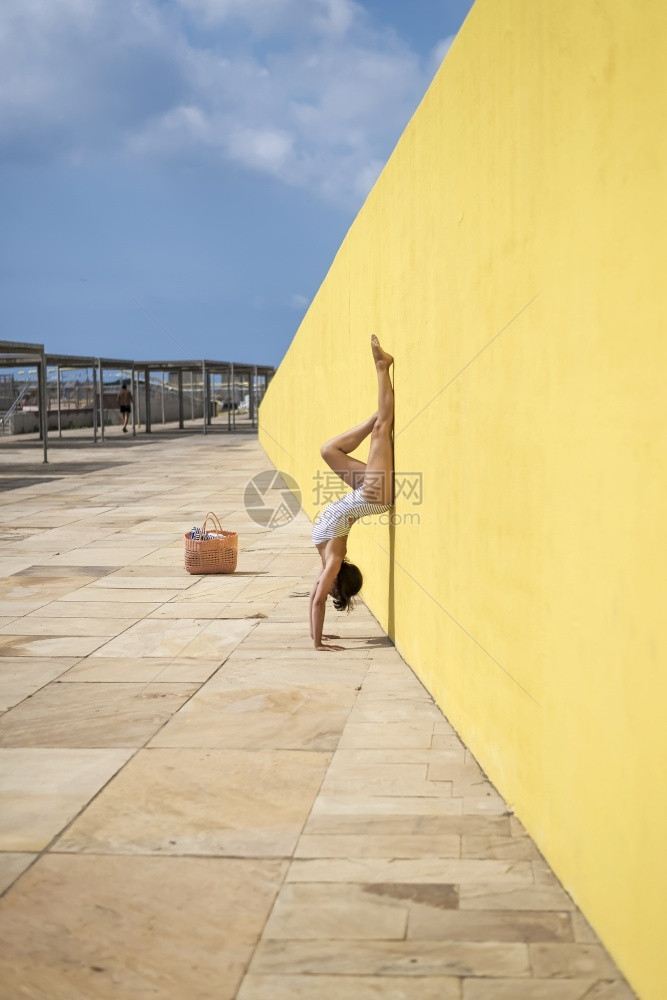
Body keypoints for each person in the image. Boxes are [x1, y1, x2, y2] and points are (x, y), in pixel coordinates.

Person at [309, 333, 394, 651]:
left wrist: (316, 637)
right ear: (338, 580)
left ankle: (375, 411)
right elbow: (318, 602)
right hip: (374, 494)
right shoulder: (334, 557)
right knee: (381, 430)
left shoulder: (326, 559)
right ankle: (382, 368)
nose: (325, 590)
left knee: (329, 450)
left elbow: (313, 599)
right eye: (333, 589)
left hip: (365, 494)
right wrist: (318, 644)